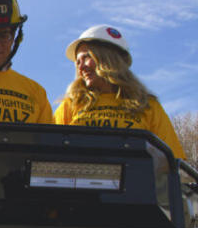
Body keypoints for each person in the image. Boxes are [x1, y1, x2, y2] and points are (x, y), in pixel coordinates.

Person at [54, 24, 185, 159]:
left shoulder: (148, 106)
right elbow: (48, 156)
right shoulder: (70, 105)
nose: (81, 67)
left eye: (87, 57)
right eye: (78, 62)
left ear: (109, 59)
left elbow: (170, 163)